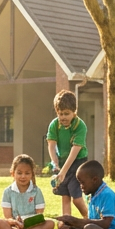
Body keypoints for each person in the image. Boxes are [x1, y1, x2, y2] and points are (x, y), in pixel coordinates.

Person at [56, 160, 115, 229]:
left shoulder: (106, 194)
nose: (80, 186)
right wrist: (72, 223)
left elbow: (105, 224)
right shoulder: (90, 195)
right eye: (79, 183)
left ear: (95, 180)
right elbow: (91, 220)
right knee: (62, 225)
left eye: (83, 182)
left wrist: (78, 222)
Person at [46, 90, 89, 219]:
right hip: (63, 160)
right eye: (60, 114)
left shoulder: (80, 126)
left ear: (74, 111)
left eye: (67, 114)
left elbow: (75, 151)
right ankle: (66, 222)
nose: (63, 117)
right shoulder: (54, 125)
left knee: (76, 197)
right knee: (65, 195)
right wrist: (55, 162)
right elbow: (52, 145)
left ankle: (89, 218)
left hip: (78, 161)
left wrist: (63, 171)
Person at [1, 154, 55, 229]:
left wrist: (27, 224)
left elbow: (39, 215)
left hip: (32, 227)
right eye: (19, 173)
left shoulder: (36, 191)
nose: (23, 176)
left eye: (27, 173)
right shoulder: (8, 192)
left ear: (32, 174)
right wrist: (16, 223)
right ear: (12, 173)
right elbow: (8, 217)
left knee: (50, 224)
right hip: (14, 226)